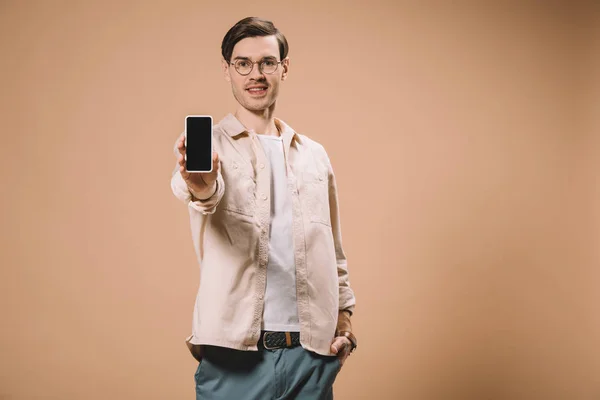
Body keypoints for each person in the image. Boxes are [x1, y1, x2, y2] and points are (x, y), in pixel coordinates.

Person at [170, 16, 357, 400]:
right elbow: (199, 193)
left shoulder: (314, 156)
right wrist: (201, 185)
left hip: (311, 359)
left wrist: (345, 321)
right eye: (243, 64)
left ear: (284, 68)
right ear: (227, 70)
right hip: (234, 360)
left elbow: (333, 248)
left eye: (267, 62)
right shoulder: (209, 146)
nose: (255, 74)